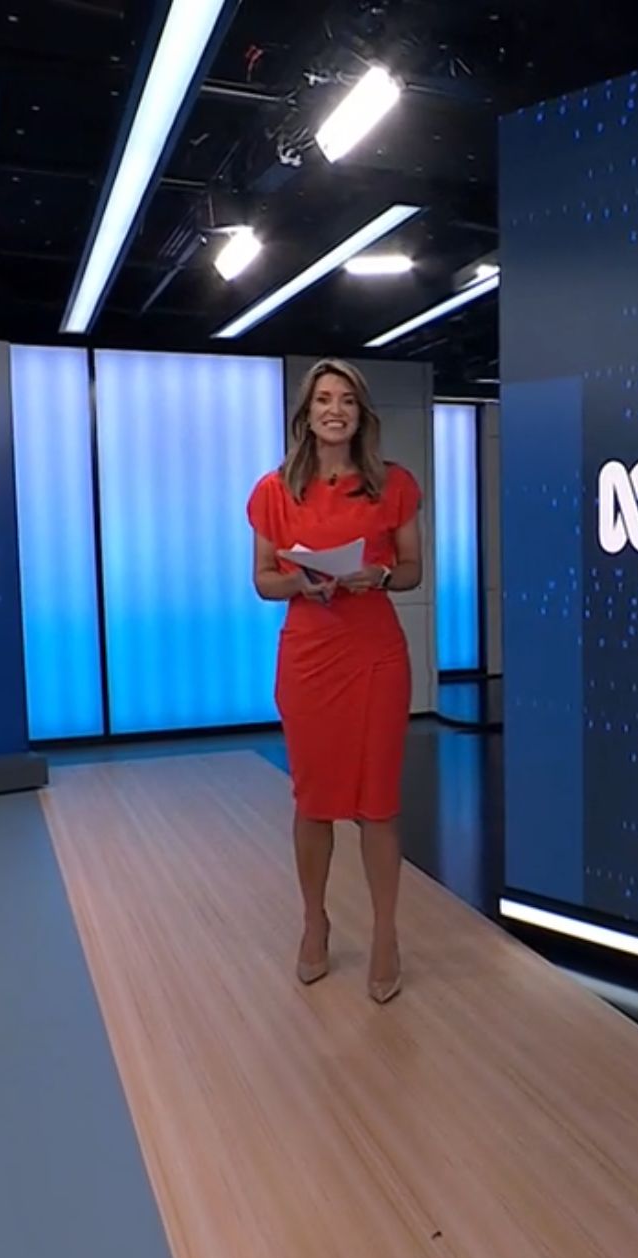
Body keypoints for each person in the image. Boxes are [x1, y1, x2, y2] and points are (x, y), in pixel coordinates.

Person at [247, 359, 423, 1004]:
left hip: (375, 656)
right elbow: (263, 580)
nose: (335, 410)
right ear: (307, 413)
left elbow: (413, 569)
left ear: (360, 414)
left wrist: (380, 575)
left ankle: (385, 935)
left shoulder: (393, 485)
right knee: (314, 800)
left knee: (378, 803)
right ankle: (314, 921)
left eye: (346, 400)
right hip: (309, 658)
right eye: (324, 399)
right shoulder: (274, 491)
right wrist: (302, 582)